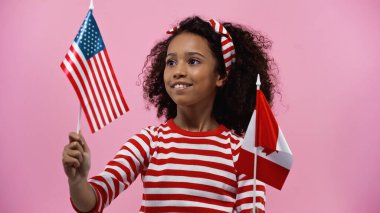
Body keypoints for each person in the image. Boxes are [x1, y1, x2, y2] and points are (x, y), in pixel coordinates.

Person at [62, 16, 277, 213]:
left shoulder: (242, 154)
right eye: (171, 62)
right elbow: (94, 200)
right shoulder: (149, 142)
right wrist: (78, 181)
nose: (178, 71)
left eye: (193, 61)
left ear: (220, 75)